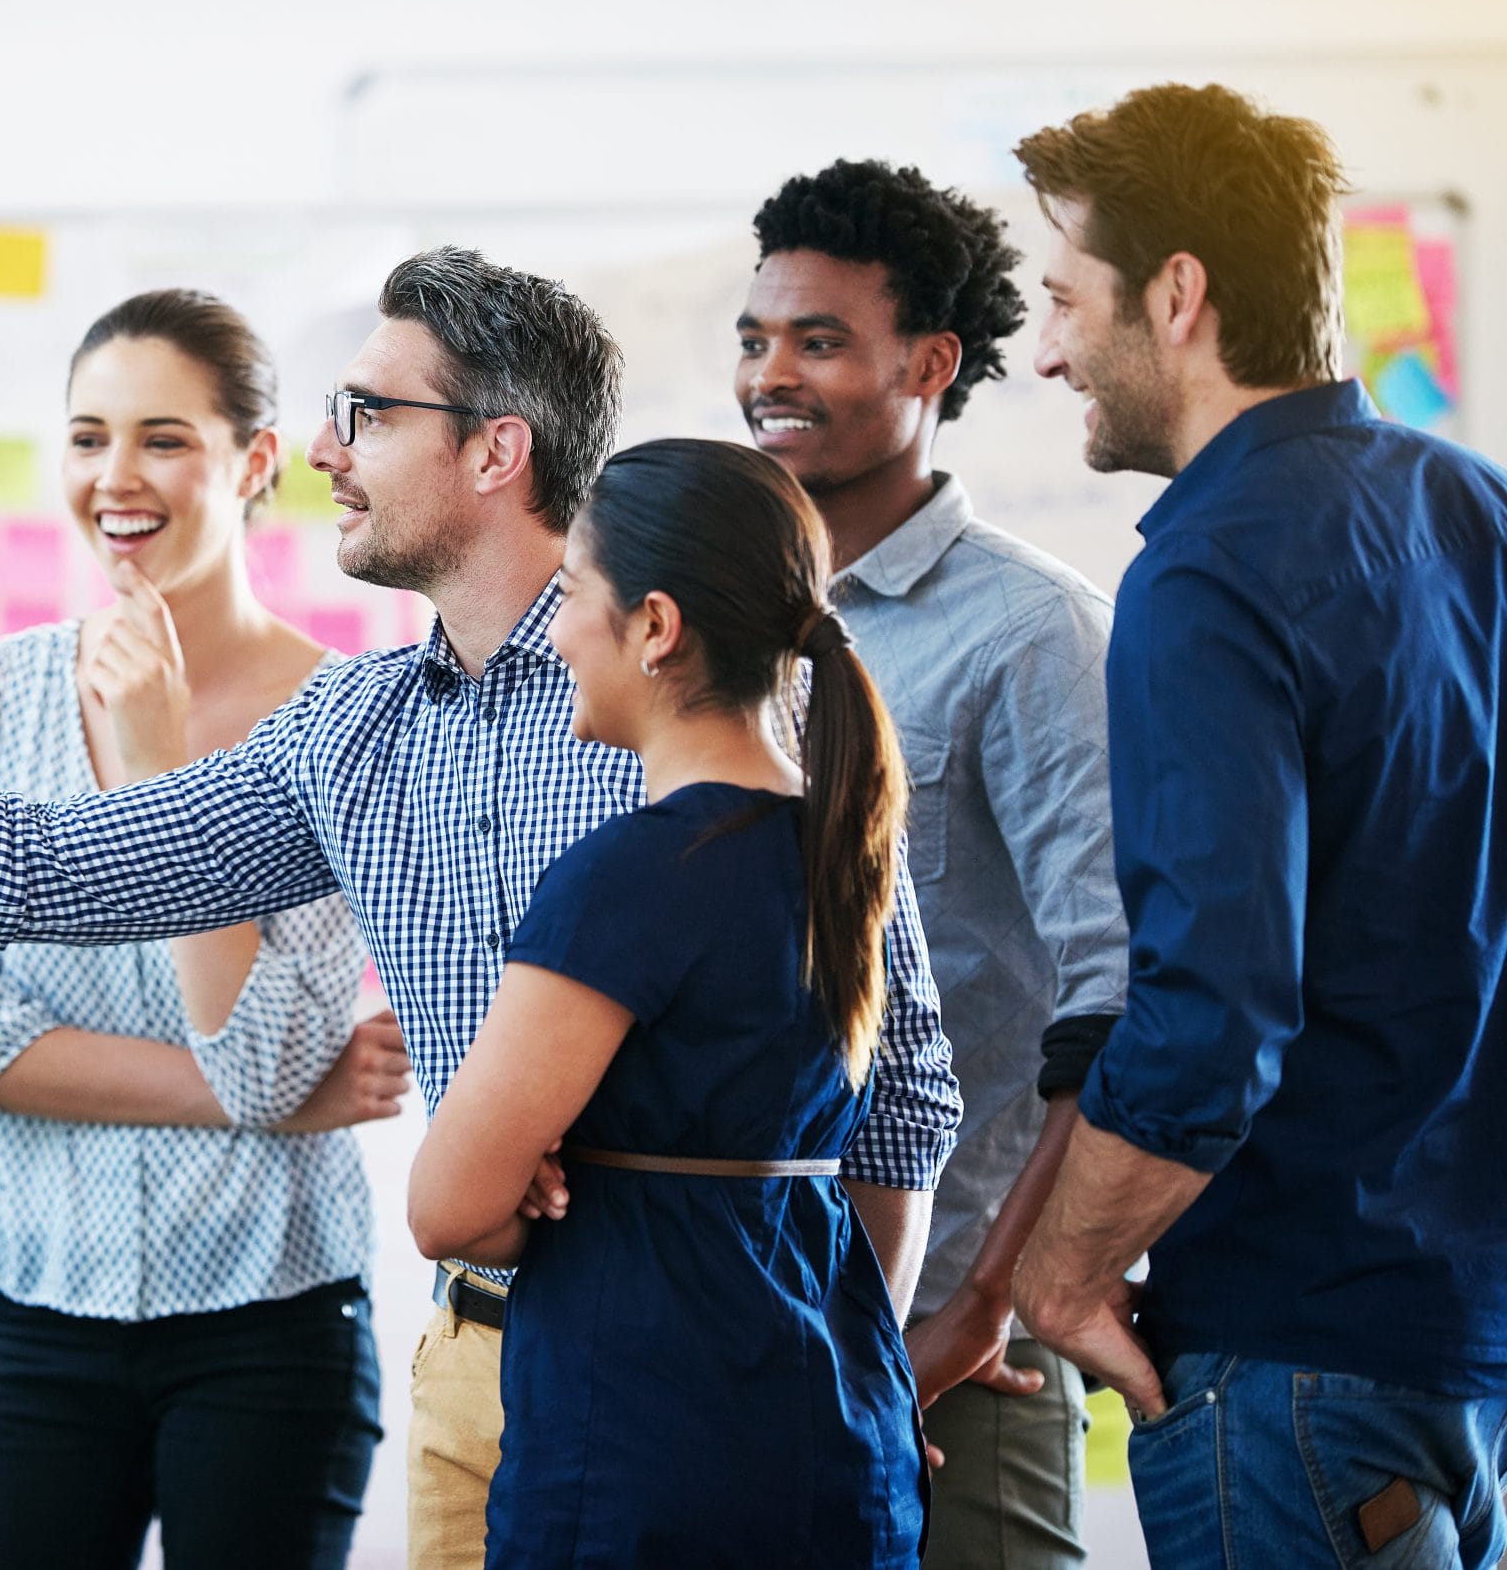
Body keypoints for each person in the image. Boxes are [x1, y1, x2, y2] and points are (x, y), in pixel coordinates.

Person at [0, 247, 960, 1570]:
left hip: (730, 1385)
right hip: (481, 1367)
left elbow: (899, 1079)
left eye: (369, 414)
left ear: (496, 452)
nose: (326, 447)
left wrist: (863, 1362)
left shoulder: (696, 695)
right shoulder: (351, 729)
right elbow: (36, 867)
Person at [1004, 83, 1507, 1568]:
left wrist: (1062, 1270)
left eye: (1062, 300)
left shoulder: (1206, 571)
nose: (1046, 351)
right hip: (1469, 1352)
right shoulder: (1478, 511)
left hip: (1294, 1364)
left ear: (1177, 294)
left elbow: (1215, 1011)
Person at [0, 290, 403, 1570]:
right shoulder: (2, 690)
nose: (115, 477)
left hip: (271, 1320)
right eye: (86, 436)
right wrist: (276, 1099)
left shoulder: (342, 716)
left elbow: (264, 1055)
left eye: (162, 438)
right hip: (41, 1309)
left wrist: (155, 770)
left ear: (254, 462)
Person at [406, 437, 925, 1567]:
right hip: (835, 1438)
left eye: (574, 599)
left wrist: (534, 1185)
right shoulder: (843, 847)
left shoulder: (628, 877)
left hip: (644, 1450)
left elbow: (447, 1208)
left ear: (653, 624)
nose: (554, 633)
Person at [736, 160, 1127, 1566]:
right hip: (746, 1330)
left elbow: (1121, 1001)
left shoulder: (1033, 637)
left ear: (932, 363)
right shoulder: (722, 635)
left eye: (820, 341)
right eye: (756, 337)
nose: (771, 373)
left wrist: (985, 1303)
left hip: (958, 1352)